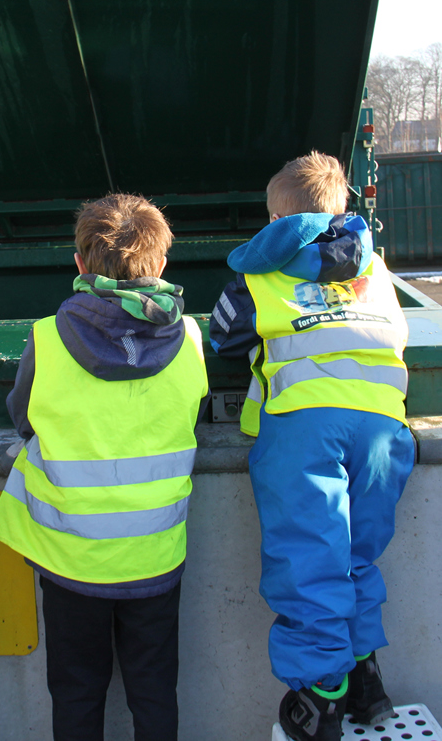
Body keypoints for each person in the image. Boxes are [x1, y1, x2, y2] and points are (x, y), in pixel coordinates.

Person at [209, 152, 414, 741]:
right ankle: (365, 679)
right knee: (356, 558)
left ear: (276, 216)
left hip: (304, 430)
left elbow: (223, 335)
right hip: (382, 430)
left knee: (310, 562)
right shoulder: (377, 272)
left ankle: (320, 696)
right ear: (343, 209)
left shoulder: (260, 275)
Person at [0, 193, 209, 741]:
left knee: (75, 691)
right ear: (161, 264)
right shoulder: (189, 338)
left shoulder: (46, 336)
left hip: (71, 560)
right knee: (155, 690)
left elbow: (24, 418)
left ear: (79, 264)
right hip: (155, 557)